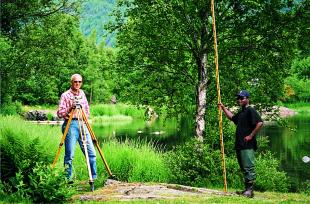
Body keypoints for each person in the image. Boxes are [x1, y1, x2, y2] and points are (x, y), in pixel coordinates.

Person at [218, 90, 263, 198]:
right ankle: (246, 189)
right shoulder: (242, 112)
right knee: (243, 167)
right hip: (240, 144)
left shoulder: (250, 110)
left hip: (247, 145)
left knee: (248, 167)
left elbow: (260, 123)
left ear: (247, 99)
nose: (239, 100)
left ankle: (250, 191)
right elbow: (232, 118)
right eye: (238, 98)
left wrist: (251, 136)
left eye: (242, 98)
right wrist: (223, 108)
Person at [57, 74, 97, 183]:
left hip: (83, 123)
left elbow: (87, 109)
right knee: (70, 155)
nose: (77, 84)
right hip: (71, 124)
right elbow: (59, 113)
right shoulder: (65, 95)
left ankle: (94, 177)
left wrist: (85, 117)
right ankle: (67, 180)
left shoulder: (82, 93)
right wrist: (71, 107)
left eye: (79, 82)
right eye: (75, 82)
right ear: (71, 82)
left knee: (91, 153)